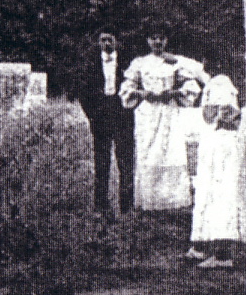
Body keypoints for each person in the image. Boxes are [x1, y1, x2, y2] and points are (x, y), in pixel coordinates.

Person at [121, 32, 210, 211]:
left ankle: (172, 200)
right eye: (153, 38)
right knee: (149, 152)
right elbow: (127, 87)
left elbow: (191, 85)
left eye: (161, 38)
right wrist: (141, 93)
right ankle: (149, 201)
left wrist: (174, 93)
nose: (157, 42)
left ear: (166, 40)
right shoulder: (140, 63)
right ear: (148, 40)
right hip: (148, 113)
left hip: (169, 112)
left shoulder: (174, 62)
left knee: (170, 151)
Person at [189, 75, 246, 269]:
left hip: (224, 146)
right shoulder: (216, 83)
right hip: (215, 144)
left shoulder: (222, 83)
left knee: (222, 197)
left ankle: (223, 255)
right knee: (207, 195)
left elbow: (216, 116)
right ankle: (203, 246)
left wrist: (217, 113)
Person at [78, 30, 136, 215]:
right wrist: (93, 116)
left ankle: (126, 208)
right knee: (101, 163)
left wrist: (130, 110)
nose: (106, 43)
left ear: (116, 41)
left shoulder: (128, 64)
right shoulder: (91, 64)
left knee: (125, 163)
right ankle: (100, 206)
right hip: (101, 118)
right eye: (102, 40)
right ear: (98, 42)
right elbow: (83, 92)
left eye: (110, 39)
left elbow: (136, 89)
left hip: (122, 116)